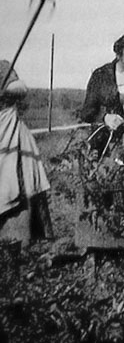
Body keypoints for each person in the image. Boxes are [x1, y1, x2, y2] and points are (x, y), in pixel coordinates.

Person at [0, 60, 52, 248]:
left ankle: (17, 241)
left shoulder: (2, 66)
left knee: (12, 185)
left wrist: (6, 90)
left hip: (8, 134)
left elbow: (21, 88)